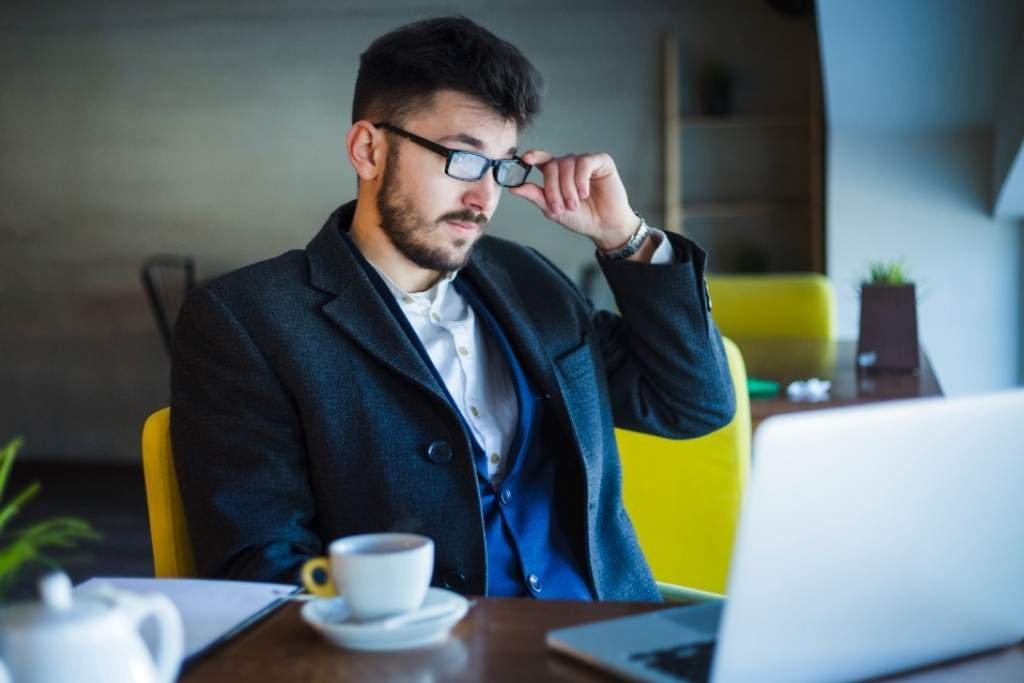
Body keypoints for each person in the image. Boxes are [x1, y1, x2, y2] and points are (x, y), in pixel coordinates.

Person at [171, 16, 734, 601]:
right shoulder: (247, 319)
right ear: (368, 149)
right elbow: (261, 566)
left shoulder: (530, 278)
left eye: (501, 166)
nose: (483, 197)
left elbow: (694, 406)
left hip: (611, 634)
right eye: (463, 159)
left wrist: (625, 237)